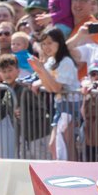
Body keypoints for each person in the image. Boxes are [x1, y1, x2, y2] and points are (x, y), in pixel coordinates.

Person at [29, 28, 79, 160]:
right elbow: (50, 87)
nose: (46, 47)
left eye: (50, 43)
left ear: (59, 43)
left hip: (71, 105)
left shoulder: (66, 61)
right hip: (60, 105)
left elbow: (56, 87)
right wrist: (40, 75)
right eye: (43, 44)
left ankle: (74, 173)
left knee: (67, 145)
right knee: (54, 145)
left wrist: (41, 71)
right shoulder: (51, 61)